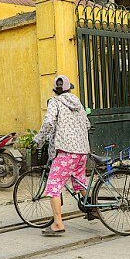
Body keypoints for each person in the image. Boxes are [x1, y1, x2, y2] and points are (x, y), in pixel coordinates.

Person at [33, 75, 91, 237]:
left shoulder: (55, 102)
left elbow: (49, 123)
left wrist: (38, 140)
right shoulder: (77, 102)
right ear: (69, 88)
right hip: (82, 151)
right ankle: (92, 209)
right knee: (79, 182)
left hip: (65, 151)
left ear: (55, 90)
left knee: (53, 186)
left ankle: (58, 223)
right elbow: (87, 124)